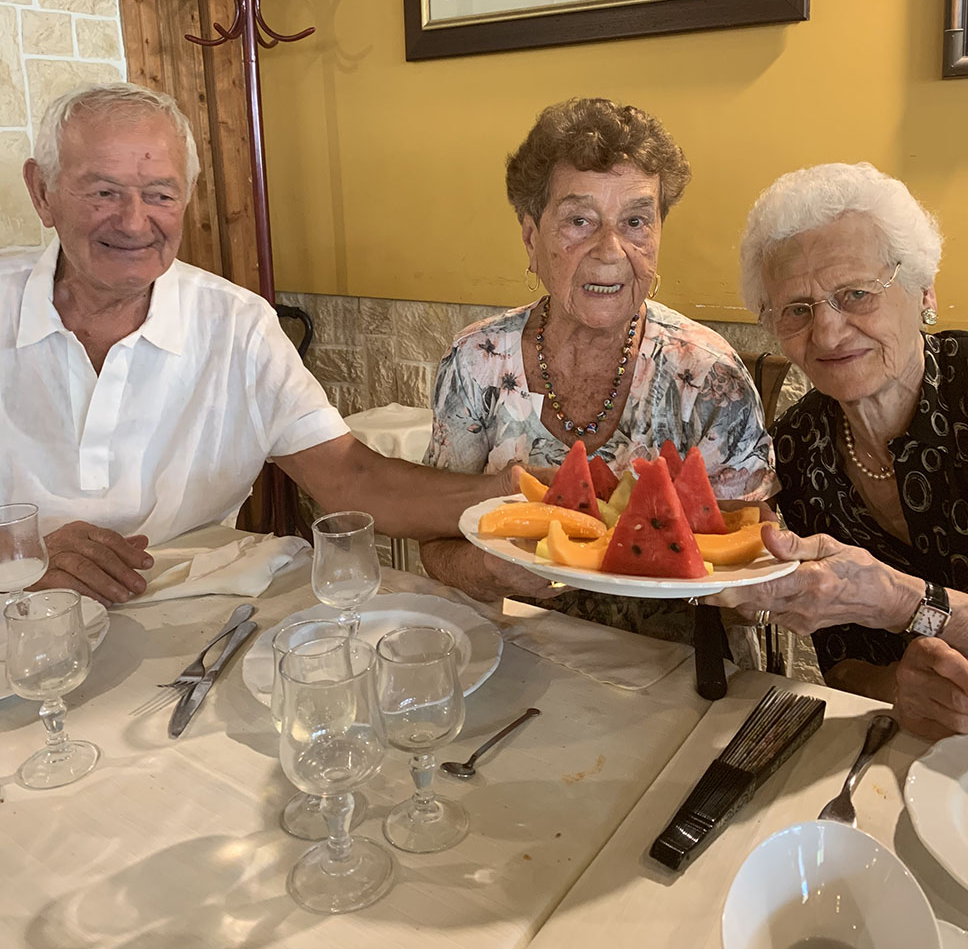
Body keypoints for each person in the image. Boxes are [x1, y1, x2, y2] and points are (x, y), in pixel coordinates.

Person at [0, 83, 510, 608]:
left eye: (160, 194)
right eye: (103, 192)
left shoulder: (238, 325)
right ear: (42, 192)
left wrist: (508, 495)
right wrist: (17, 553)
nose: (133, 222)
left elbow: (349, 478)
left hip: (189, 623)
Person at [420, 98, 776, 645]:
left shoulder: (710, 377)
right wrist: (490, 571)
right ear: (531, 237)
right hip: (520, 654)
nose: (610, 251)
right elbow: (436, 543)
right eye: (579, 221)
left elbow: (748, 561)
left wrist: (687, 571)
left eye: (635, 221)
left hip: (679, 667)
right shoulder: (476, 362)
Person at [715, 161, 968, 741]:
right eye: (797, 309)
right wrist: (903, 688)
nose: (827, 334)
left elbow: (888, 606)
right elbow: (844, 666)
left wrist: (901, 601)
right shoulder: (797, 451)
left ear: (924, 292)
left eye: (856, 294)